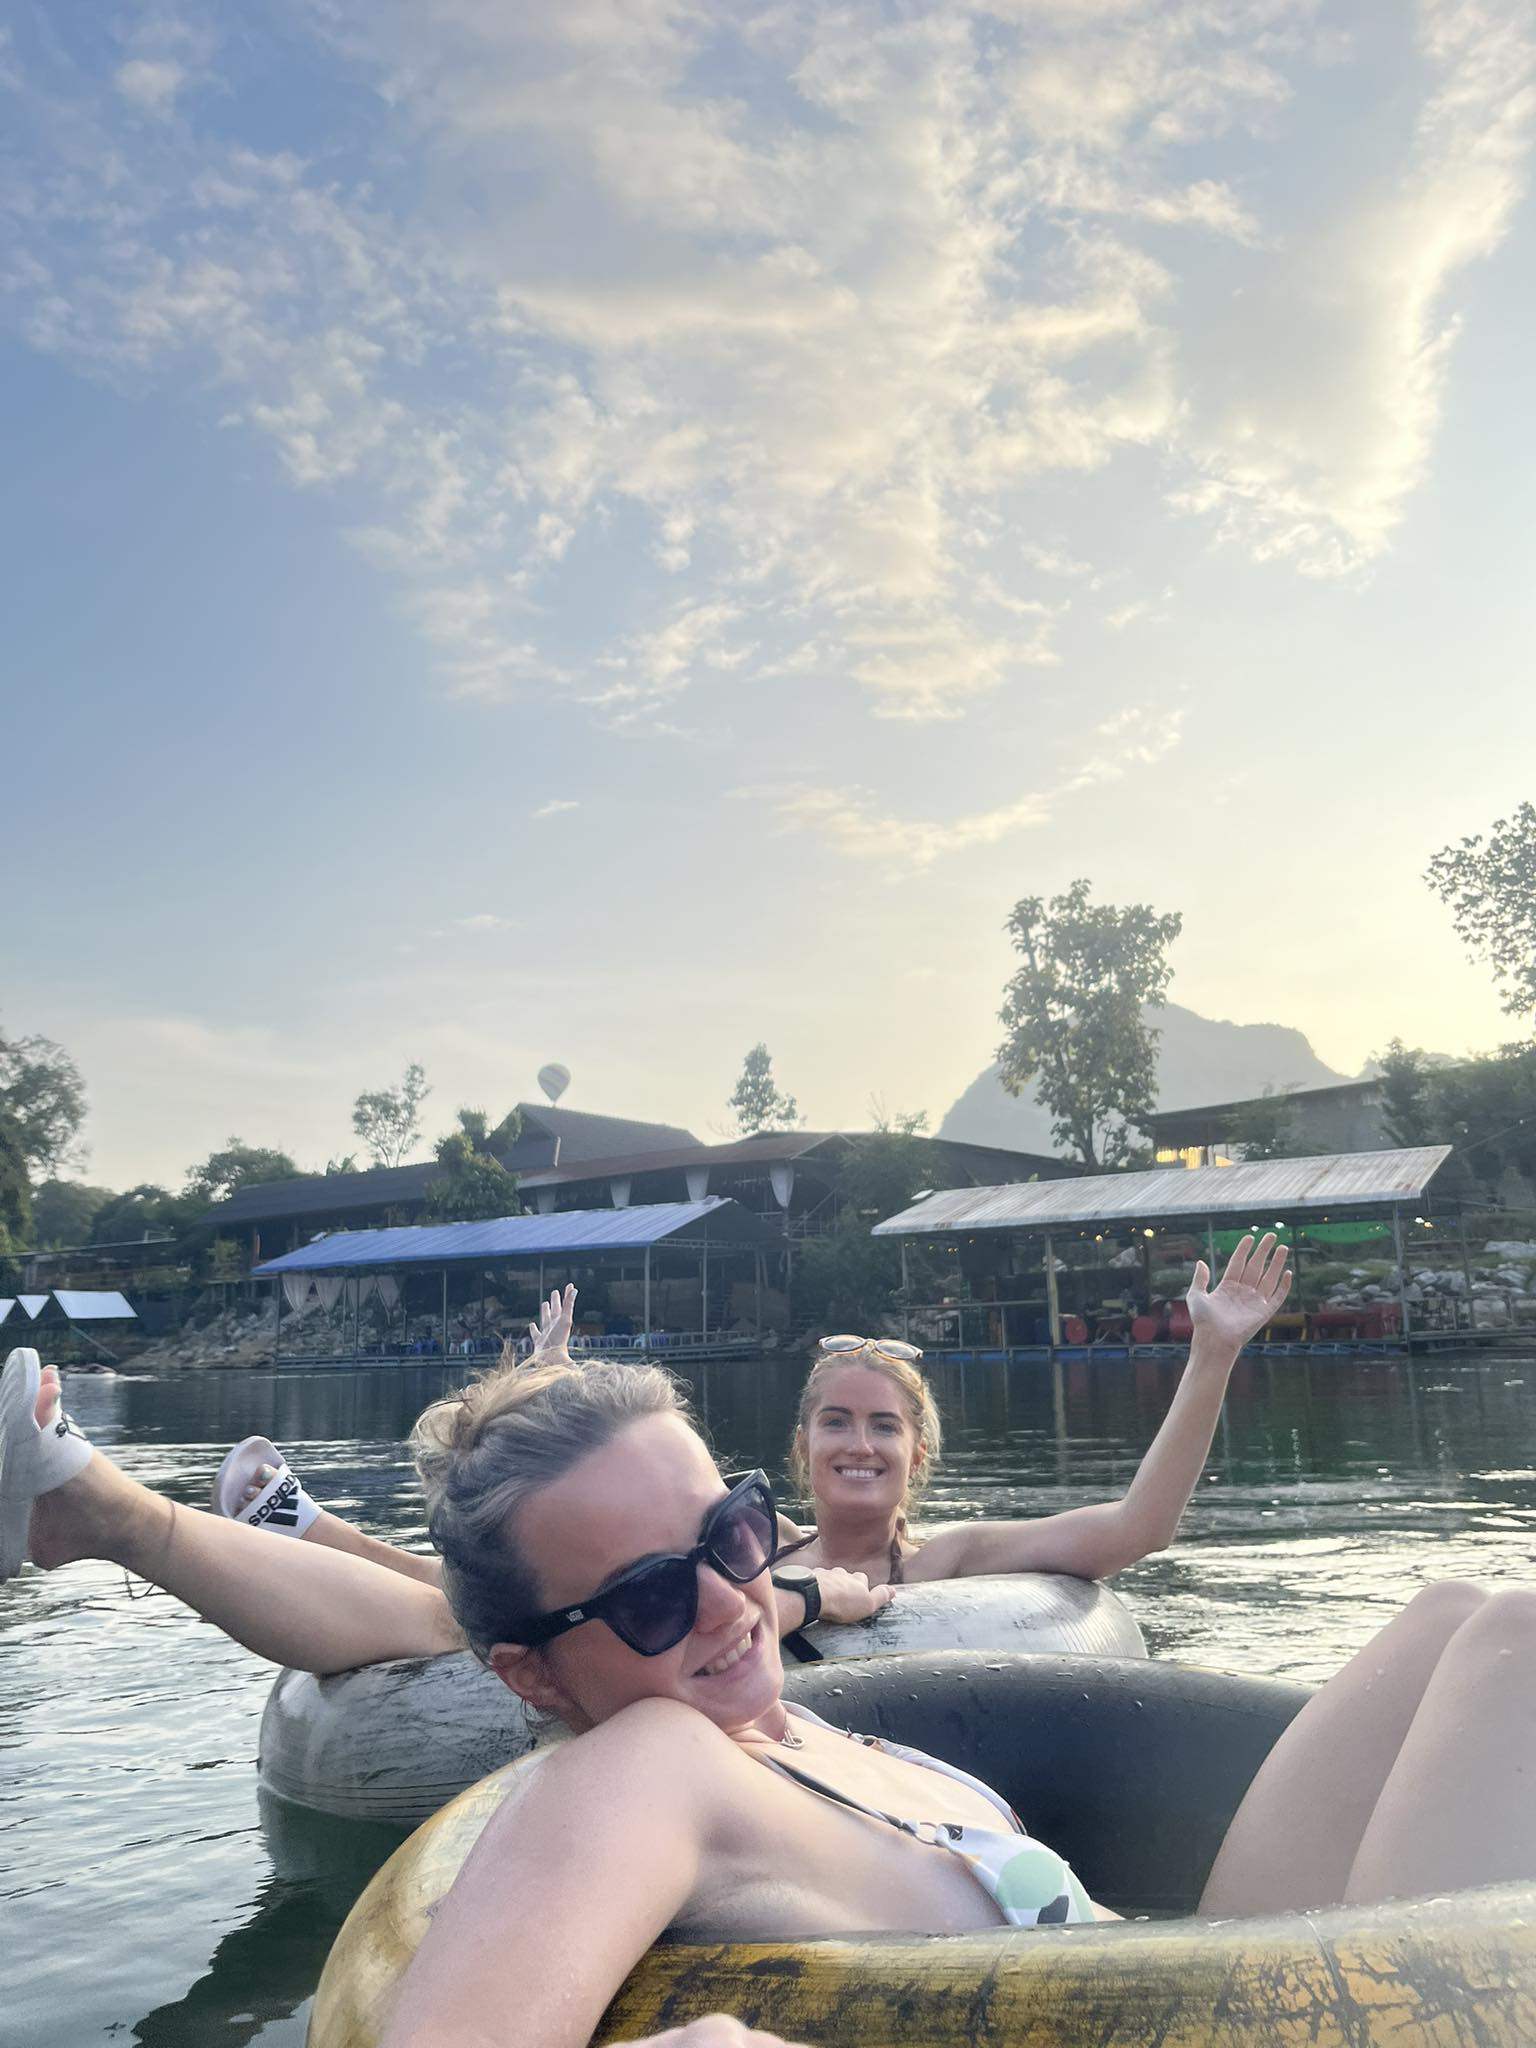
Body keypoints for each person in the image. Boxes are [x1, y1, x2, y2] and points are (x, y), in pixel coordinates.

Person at [7, 1331, 1536, 2048]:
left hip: (1208, 1976)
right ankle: (117, 1515)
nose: (734, 1605)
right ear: (529, 1672)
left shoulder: (805, 1719)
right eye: (651, 1597)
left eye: (730, 1535)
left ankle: (117, 1513)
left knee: (1474, 1616)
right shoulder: (640, 1771)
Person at [218, 1236, 1297, 1654]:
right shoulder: (745, 1544)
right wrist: (544, 1384)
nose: (859, 1442)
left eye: (884, 1425)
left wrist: (1211, 1355)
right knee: (464, 1598)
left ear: (918, 1454)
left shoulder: (955, 1561)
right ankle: (302, 1526)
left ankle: (300, 1526)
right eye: (837, 1420)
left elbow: (1138, 1527)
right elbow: (556, 1548)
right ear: (802, 1444)